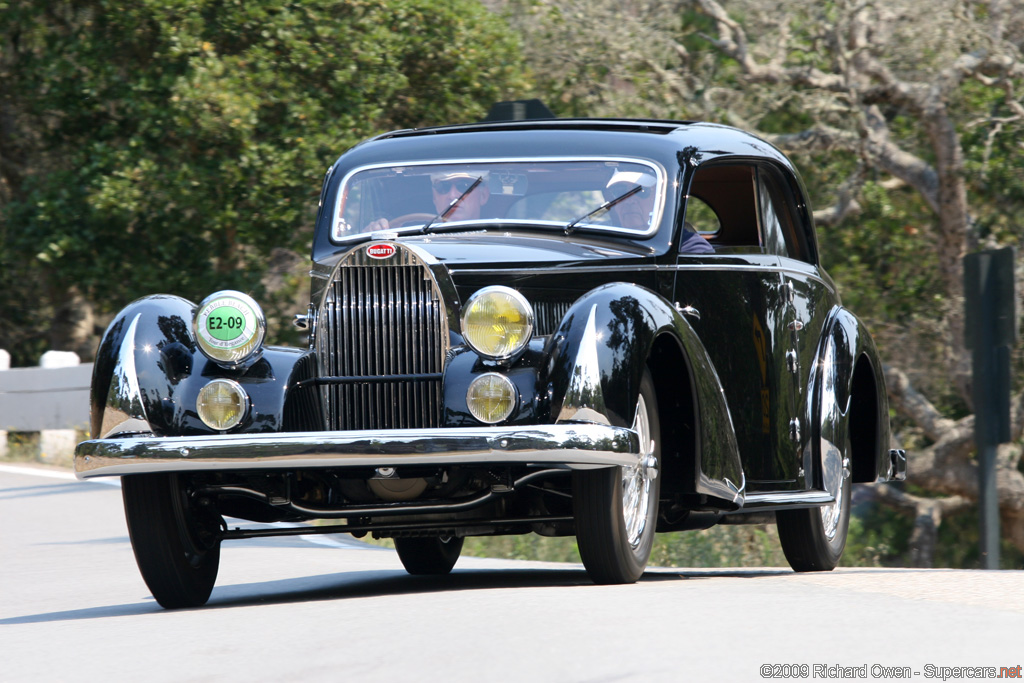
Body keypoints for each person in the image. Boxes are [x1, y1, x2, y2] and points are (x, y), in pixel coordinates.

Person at [604, 171, 713, 254]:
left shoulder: (687, 245)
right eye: (620, 192)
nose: (629, 200)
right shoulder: (602, 238)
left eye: (642, 191)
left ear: (657, 199)